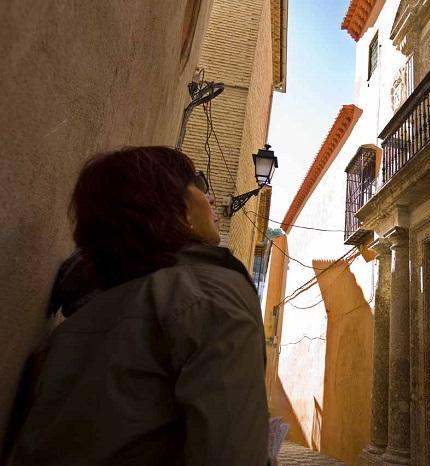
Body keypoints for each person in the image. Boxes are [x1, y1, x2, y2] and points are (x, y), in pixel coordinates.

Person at [10, 146, 269, 466]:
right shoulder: (212, 296)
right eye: (197, 184)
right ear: (177, 207)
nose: (211, 198)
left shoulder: (65, 336)